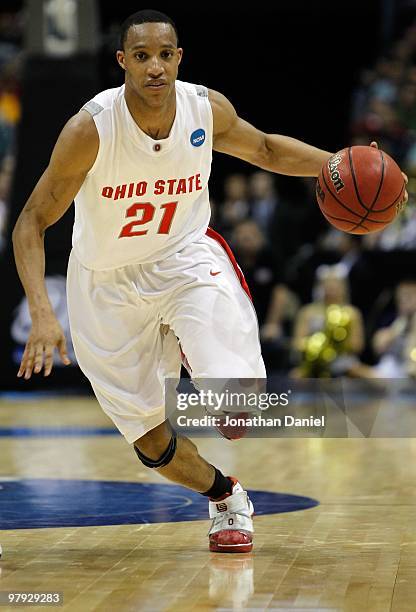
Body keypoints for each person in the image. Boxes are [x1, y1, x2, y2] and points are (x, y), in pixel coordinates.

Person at [11, 10, 406, 553]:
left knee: (236, 405)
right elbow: (30, 222)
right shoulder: (91, 129)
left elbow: (265, 148)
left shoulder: (204, 107)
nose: (155, 67)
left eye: (165, 54)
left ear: (179, 57)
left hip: (184, 260)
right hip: (105, 284)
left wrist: (340, 166)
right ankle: (227, 498)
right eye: (142, 56)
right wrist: (42, 313)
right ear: (123, 62)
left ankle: (198, 350)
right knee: (150, 442)